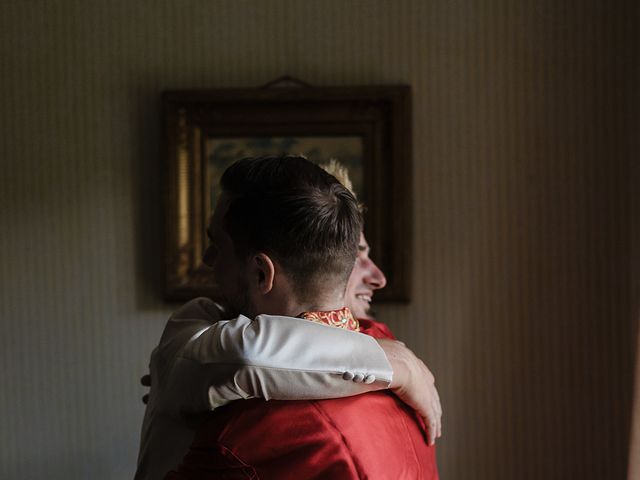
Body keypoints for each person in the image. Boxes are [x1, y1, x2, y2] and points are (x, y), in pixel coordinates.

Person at [157, 155, 439, 478]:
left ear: (262, 274)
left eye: (217, 245)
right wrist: (396, 363)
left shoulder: (239, 442)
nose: (208, 260)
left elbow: (242, 356)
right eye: (358, 253)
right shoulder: (410, 395)